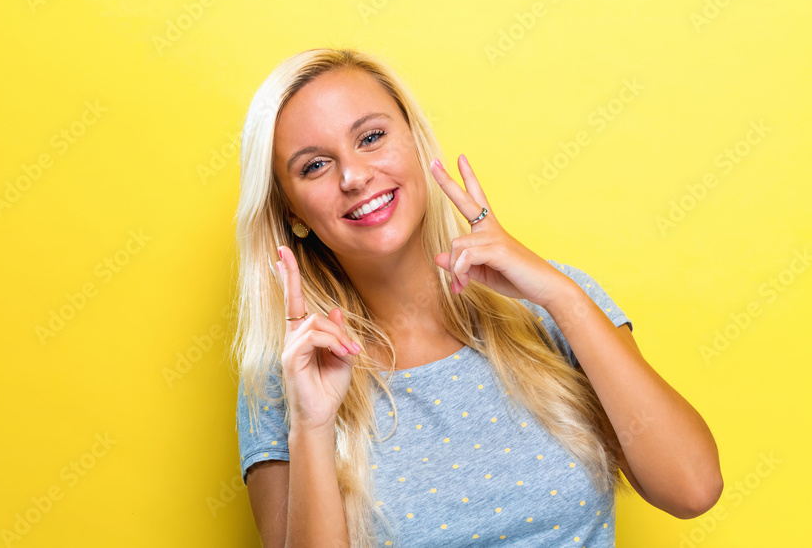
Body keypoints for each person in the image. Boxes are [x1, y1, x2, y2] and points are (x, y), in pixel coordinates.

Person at [231, 47, 722, 548]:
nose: (353, 176)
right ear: (291, 212)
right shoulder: (290, 377)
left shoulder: (552, 303)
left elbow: (693, 488)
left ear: (417, 144)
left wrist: (559, 295)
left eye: (372, 138)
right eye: (314, 166)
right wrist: (312, 425)